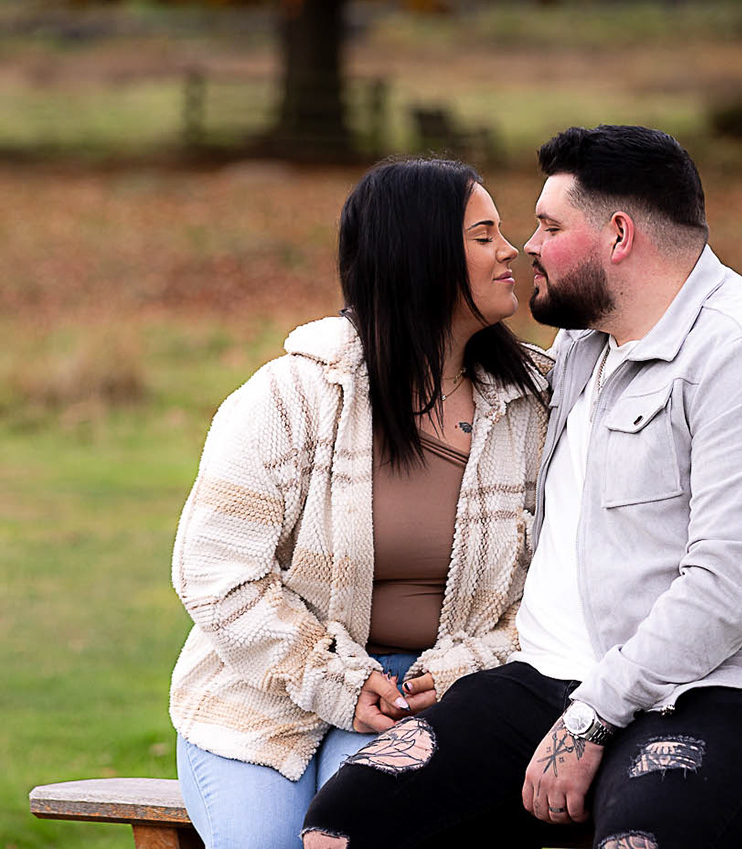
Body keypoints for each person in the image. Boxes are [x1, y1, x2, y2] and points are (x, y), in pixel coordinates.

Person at [304, 125, 742, 849]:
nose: (528, 247)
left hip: (740, 689)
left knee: (641, 838)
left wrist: (593, 716)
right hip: (553, 680)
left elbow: (733, 581)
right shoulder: (582, 345)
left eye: (550, 227)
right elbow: (422, 346)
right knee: (345, 823)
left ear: (618, 235)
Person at [169, 158, 553, 849]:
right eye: (484, 235)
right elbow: (215, 571)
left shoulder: (536, 404)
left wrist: (471, 667)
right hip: (263, 692)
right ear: (420, 256)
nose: (513, 250)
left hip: (432, 703)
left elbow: (568, 588)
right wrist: (333, 679)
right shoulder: (291, 396)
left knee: (361, 834)